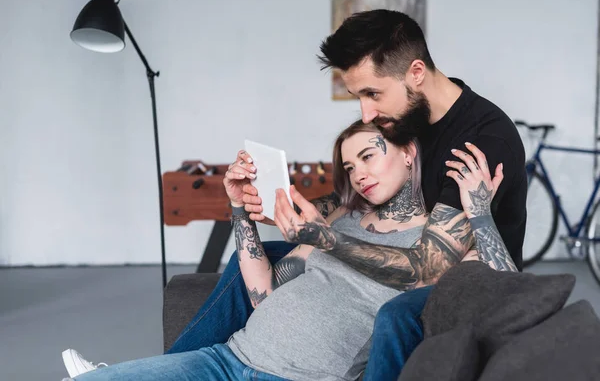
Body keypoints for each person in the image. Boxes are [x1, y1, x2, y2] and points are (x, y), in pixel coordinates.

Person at [65, 9, 526, 380]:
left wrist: (322, 236)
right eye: (357, 98)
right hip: (389, 248)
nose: (368, 112)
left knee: (393, 313)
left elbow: (428, 264)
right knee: (256, 254)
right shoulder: (402, 118)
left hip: (453, 275)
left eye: (372, 93)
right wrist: (274, 207)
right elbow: (357, 199)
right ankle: (172, 367)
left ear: (416, 73)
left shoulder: (481, 137)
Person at [62, 120, 502, 380]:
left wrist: (481, 213)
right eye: (350, 166)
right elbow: (262, 292)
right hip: (228, 360)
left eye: (369, 156)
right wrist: (239, 209)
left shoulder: (438, 240)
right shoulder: (344, 218)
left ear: (408, 153)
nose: (359, 173)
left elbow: (503, 287)